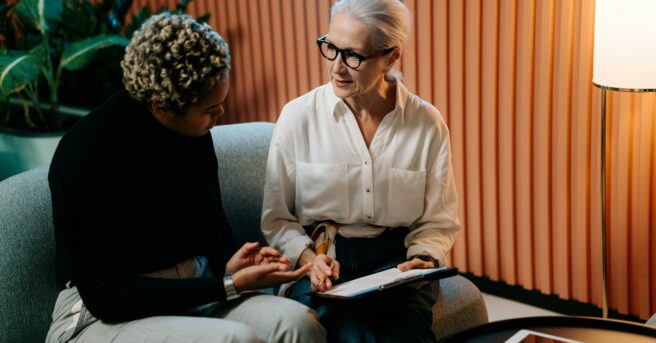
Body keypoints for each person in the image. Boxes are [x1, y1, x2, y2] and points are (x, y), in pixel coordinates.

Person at [46, 13, 326, 343]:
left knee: (297, 323)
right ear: (162, 107)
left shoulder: (193, 132)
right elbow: (106, 295)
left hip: (194, 287)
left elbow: (211, 220)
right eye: (211, 109)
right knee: (234, 340)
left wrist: (229, 263)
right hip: (102, 314)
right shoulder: (83, 154)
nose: (220, 115)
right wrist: (227, 285)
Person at [261, 0, 460, 342]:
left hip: (397, 263)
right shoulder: (298, 117)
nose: (337, 67)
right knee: (349, 335)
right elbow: (277, 219)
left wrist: (425, 257)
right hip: (324, 259)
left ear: (391, 57)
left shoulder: (426, 124)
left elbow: (437, 220)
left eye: (353, 55)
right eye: (331, 48)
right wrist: (309, 259)